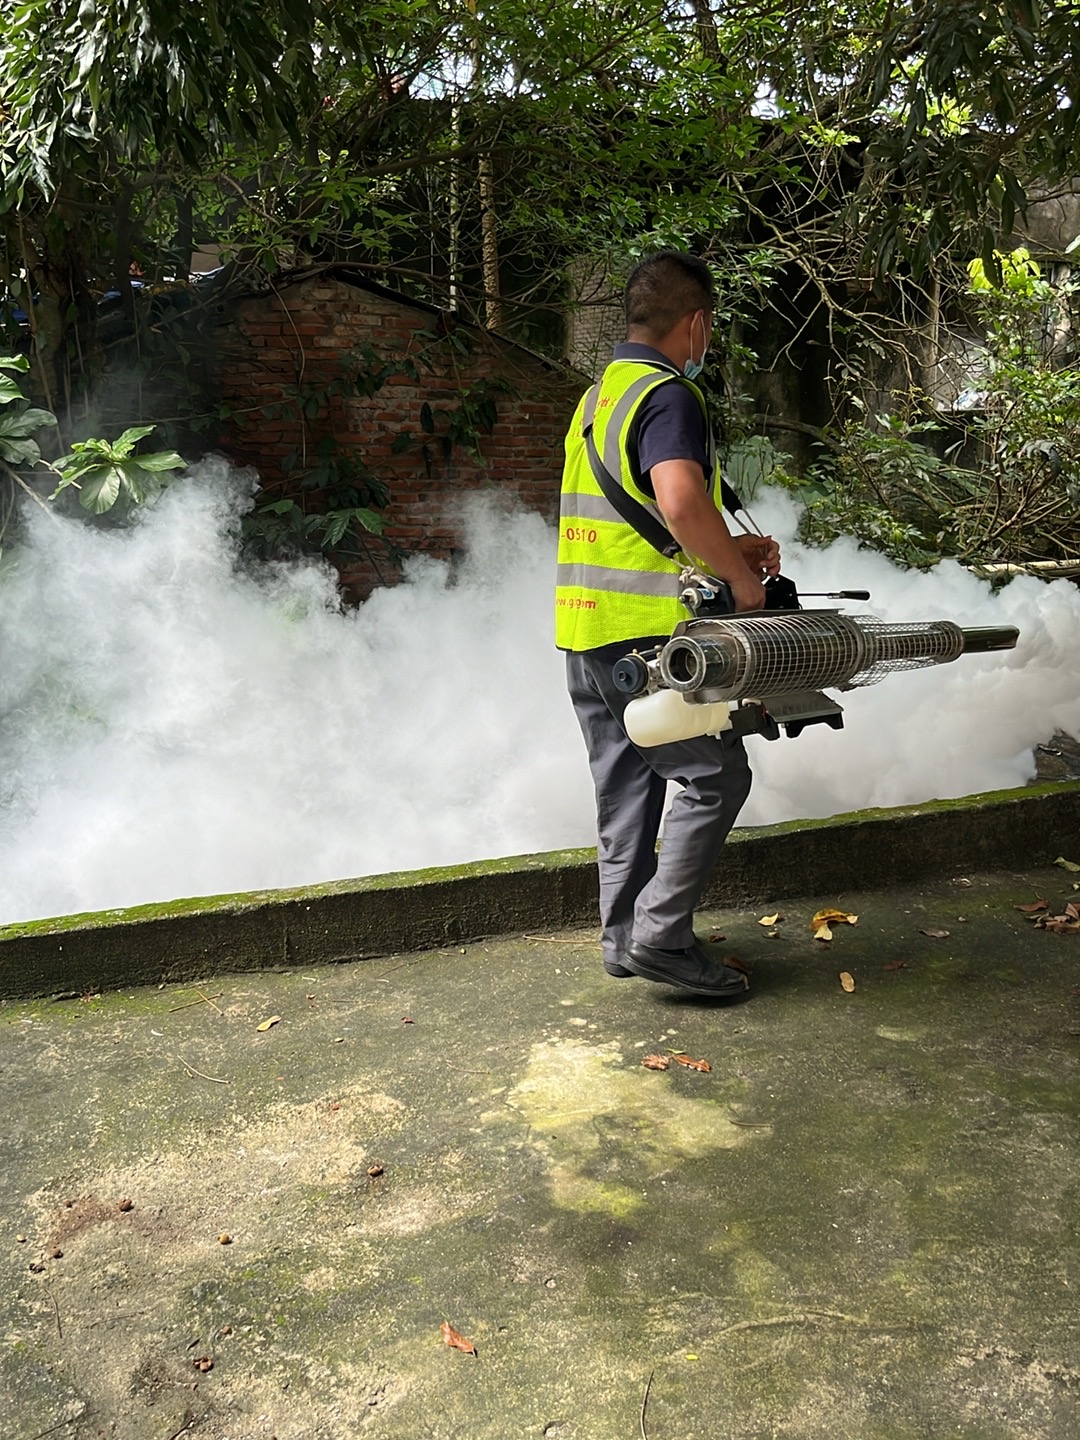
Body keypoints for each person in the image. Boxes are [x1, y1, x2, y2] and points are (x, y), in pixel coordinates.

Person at [555, 249, 780, 997]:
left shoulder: (598, 400)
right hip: (651, 639)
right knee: (717, 777)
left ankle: (624, 939)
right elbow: (681, 503)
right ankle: (660, 936)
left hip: (586, 631)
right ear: (696, 322)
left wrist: (727, 546)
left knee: (626, 787)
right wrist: (743, 581)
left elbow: (644, 513)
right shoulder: (669, 395)